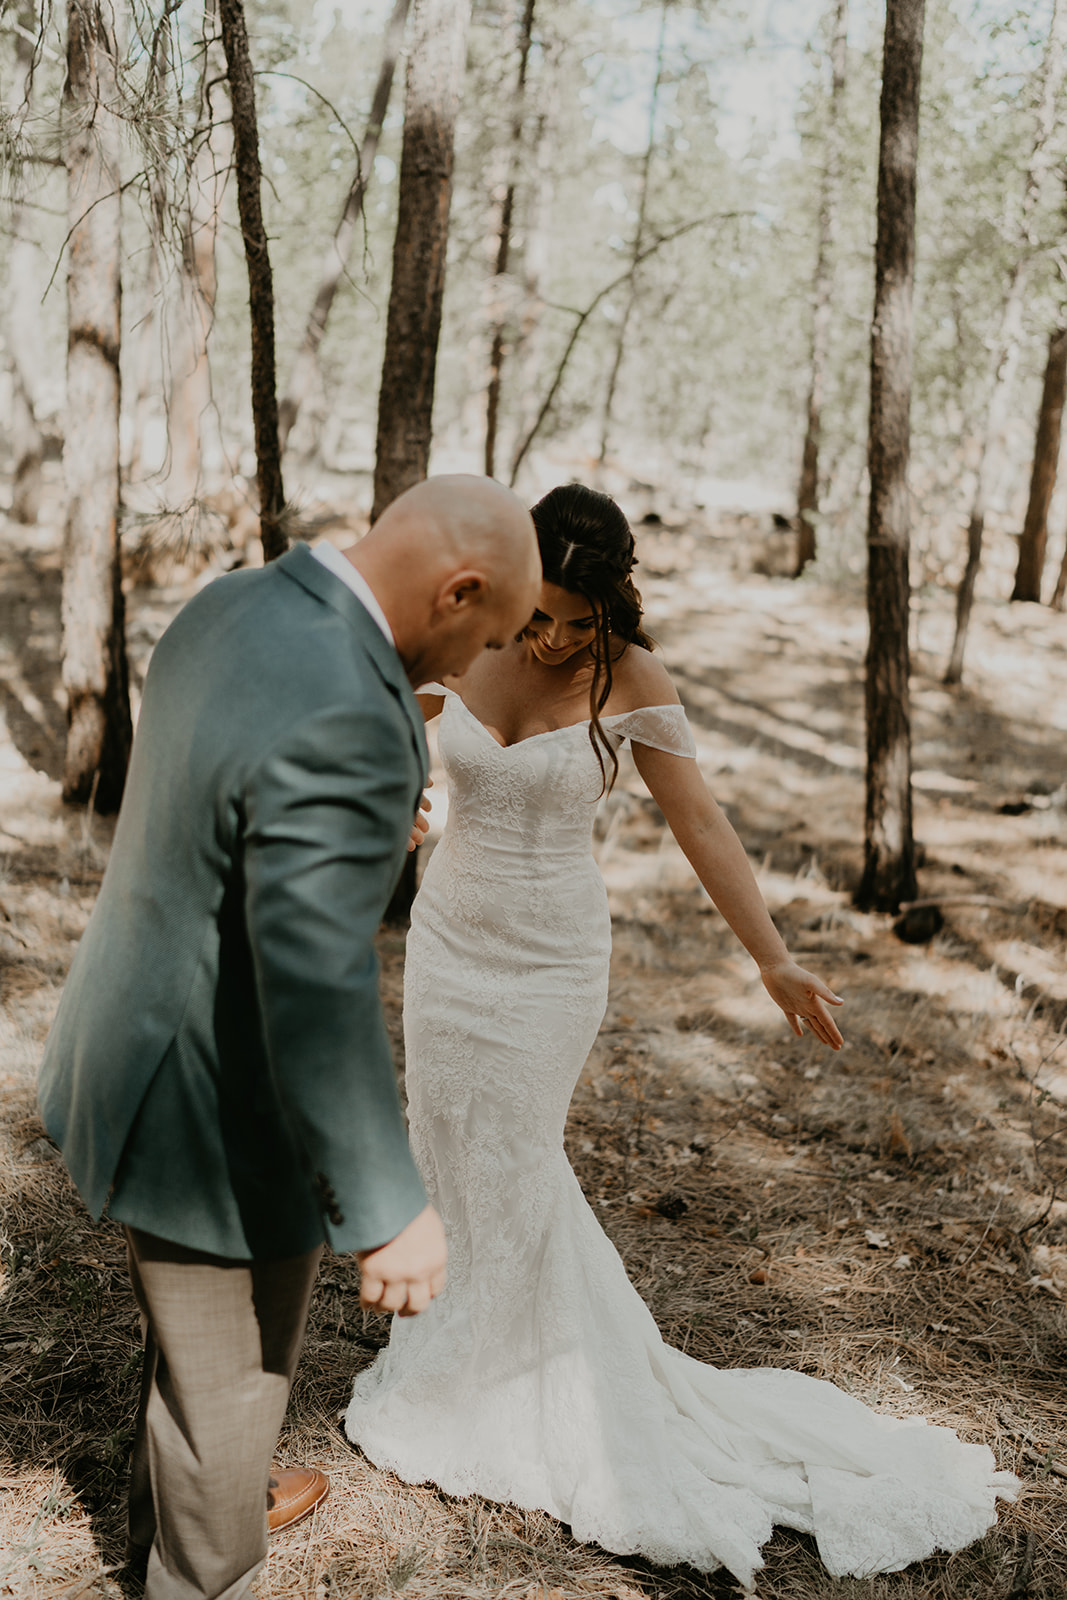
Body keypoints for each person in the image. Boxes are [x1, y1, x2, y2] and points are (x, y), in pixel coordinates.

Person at [345, 484, 1018, 1589]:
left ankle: (529, 1379)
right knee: (448, 1138)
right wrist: (412, 806)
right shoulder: (468, 639)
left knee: (515, 1151)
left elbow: (697, 818)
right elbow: (406, 753)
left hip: (550, 962)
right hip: (448, 943)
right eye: (542, 613)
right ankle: (455, 1341)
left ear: (613, 602)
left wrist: (770, 954)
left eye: (578, 618)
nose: (554, 638)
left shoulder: (631, 677)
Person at [37, 476, 541, 1600]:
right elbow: (311, 985)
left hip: (122, 1044)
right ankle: (195, 1562)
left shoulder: (235, 602)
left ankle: (156, 1534)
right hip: (212, 1115)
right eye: (483, 636)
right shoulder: (353, 718)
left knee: (187, 1357)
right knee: (228, 1412)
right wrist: (386, 1207)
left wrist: (369, 835)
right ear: (456, 588)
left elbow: (222, 808)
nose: (468, 668)